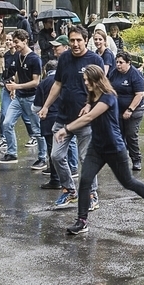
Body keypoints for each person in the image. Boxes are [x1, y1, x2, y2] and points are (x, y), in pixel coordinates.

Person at [59, 65, 144, 236]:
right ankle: (82, 221)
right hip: (97, 147)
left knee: (128, 182)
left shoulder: (109, 97)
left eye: (88, 80)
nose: (85, 83)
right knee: (85, 181)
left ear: (97, 80)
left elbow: (90, 117)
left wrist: (67, 129)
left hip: (114, 147)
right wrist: (87, 104)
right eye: (84, 80)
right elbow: (90, 107)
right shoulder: (93, 95)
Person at [40, 26, 105, 206]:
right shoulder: (64, 58)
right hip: (62, 117)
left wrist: (89, 104)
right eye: (72, 40)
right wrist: (46, 106)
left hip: (85, 120)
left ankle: (92, 195)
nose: (75, 44)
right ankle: (69, 190)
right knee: (56, 156)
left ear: (86, 40)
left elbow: (101, 89)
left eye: (79, 40)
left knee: (85, 159)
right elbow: (57, 84)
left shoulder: (94, 60)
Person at [0, 29, 47, 169]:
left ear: (25, 41)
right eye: (13, 41)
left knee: (37, 129)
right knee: (7, 123)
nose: (14, 44)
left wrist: (16, 86)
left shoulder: (34, 59)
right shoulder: (18, 56)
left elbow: (36, 82)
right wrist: (15, 88)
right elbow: (18, 73)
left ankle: (42, 158)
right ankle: (12, 153)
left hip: (32, 98)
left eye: (17, 42)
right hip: (19, 98)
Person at [108, 51, 144, 171]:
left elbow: (139, 94)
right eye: (117, 62)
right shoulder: (114, 73)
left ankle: (136, 159)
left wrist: (130, 110)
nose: (118, 65)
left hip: (135, 110)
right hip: (117, 110)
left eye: (121, 62)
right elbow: (108, 88)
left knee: (131, 135)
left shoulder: (135, 74)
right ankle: (120, 159)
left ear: (128, 63)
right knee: (118, 135)